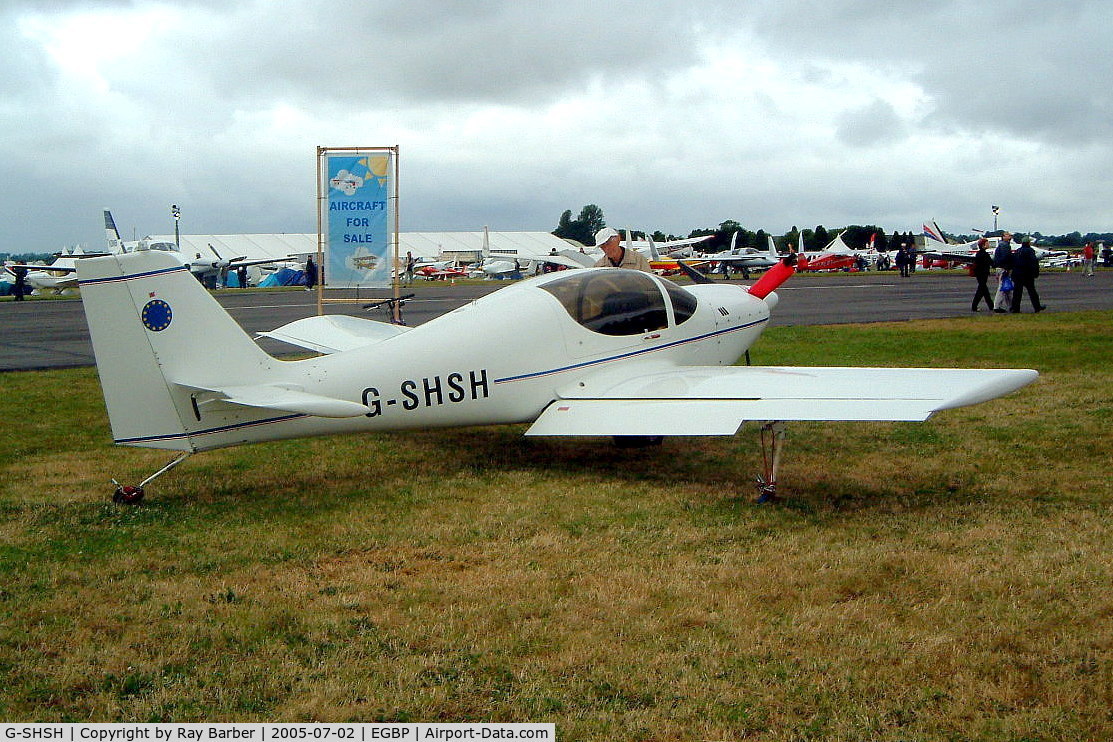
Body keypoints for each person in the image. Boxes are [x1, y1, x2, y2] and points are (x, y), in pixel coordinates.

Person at [1010, 239, 1045, 313]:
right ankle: (1037, 307)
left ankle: (1015, 308)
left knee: (1017, 292)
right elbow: (1034, 262)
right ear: (1028, 243)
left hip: (1017, 274)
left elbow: (1013, 261)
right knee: (1032, 291)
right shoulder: (1030, 251)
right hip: (1027, 274)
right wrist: (1036, 273)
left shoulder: (1018, 251)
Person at [992, 233, 1014, 313]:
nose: (1010, 236)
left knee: (1007, 288)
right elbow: (1006, 257)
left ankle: (1011, 305)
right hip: (1003, 268)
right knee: (1002, 288)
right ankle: (996, 306)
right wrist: (1007, 268)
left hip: (1000, 267)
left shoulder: (1001, 245)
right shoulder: (1005, 246)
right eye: (1007, 235)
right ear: (1003, 237)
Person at [970, 238, 994, 312]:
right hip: (983, 274)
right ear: (983, 245)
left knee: (984, 291)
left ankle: (991, 306)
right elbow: (991, 263)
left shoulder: (979, 254)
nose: (988, 244)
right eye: (987, 243)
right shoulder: (984, 254)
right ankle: (974, 306)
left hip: (979, 274)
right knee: (981, 290)